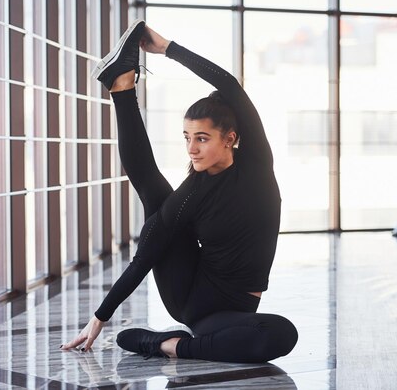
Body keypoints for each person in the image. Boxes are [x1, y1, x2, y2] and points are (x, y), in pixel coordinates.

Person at [61, 20, 298, 363]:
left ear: (230, 138)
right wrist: (100, 316)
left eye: (202, 138)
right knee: (154, 196)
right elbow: (149, 251)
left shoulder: (257, 167)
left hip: (232, 310)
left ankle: (167, 345)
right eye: (187, 138)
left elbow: (229, 85)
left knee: (280, 333)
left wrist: (167, 48)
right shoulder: (194, 190)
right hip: (191, 301)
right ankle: (121, 86)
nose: (192, 149)